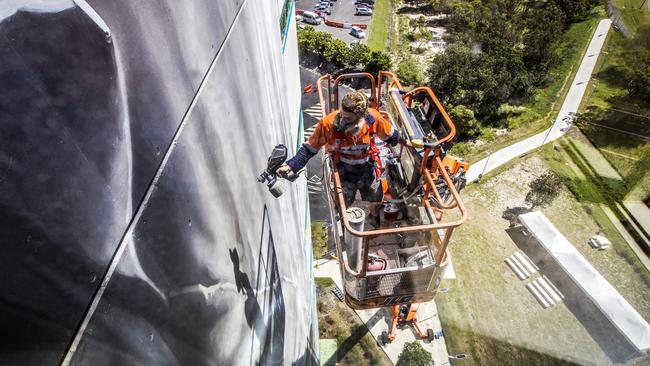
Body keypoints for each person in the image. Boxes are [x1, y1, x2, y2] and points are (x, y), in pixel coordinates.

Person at [276, 90, 411, 223]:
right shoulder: (328, 124)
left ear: (362, 116)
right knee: (343, 201)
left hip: (366, 166)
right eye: (341, 115)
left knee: (376, 197)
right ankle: (342, 221)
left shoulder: (372, 120)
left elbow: (393, 136)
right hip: (343, 169)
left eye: (347, 118)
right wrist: (290, 166)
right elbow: (309, 149)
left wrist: (408, 143)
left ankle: (373, 217)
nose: (342, 121)